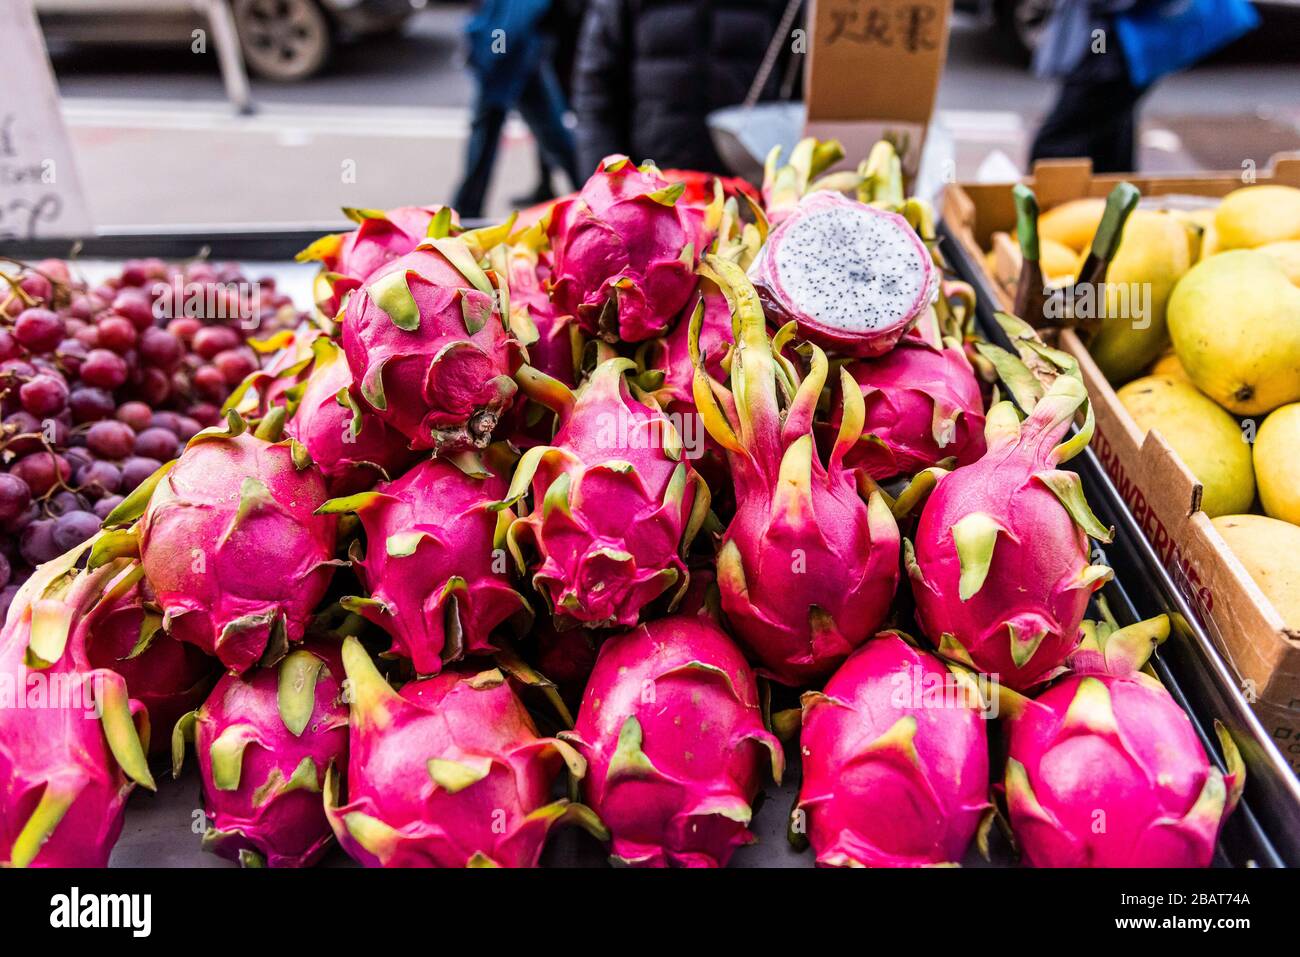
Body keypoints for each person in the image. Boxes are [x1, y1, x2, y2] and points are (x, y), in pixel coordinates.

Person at [1031, 0, 1259, 173]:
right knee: (1108, 134)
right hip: (1115, 39)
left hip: (1113, 42)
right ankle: (1110, 209)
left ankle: (1057, 209)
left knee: (1060, 145)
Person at [571, 0, 789, 177]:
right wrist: (605, 184)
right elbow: (595, 93)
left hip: (752, 185)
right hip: (652, 184)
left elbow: (801, 70)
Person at [453, 0, 581, 219]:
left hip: (510, 56)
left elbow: (511, 22)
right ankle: (466, 211)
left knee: (488, 135)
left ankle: (466, 212)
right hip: (516, 52)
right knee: (552, 133)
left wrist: (493, 54)